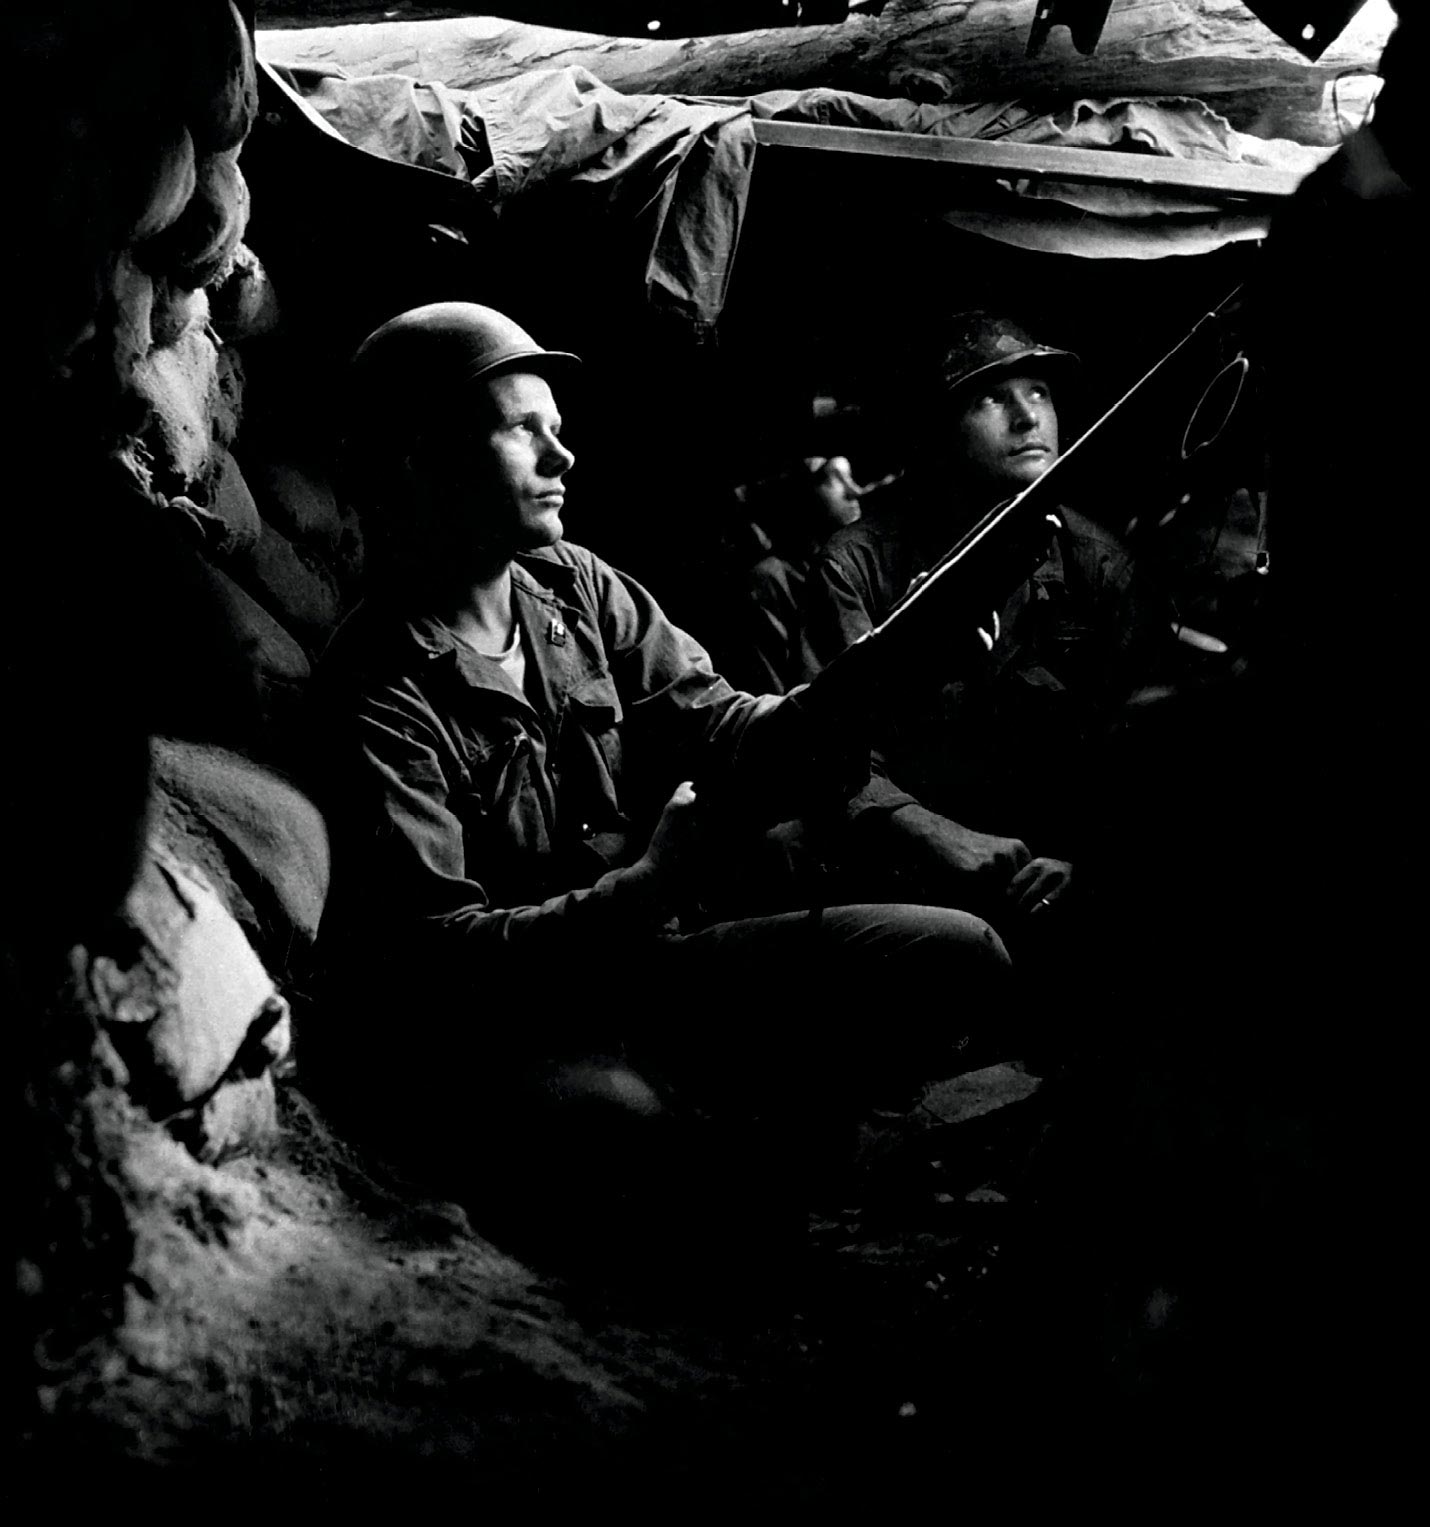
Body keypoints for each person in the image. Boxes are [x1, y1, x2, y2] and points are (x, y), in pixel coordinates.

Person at [308, 301, 1012, 1232]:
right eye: (526, 432)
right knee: (636, 1144)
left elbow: (726, 728)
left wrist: (885, 676)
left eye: (558, 432)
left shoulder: (576, 586)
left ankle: (766, 1149)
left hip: (651, 968)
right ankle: (754, 1168)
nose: (563, 459)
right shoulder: (380, 685)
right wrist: (646, 888)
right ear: (420, 456)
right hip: (519, 1029)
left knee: (957, 954)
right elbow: (444, 963)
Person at [797, 312, 1168, 939]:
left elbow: (1143, 752)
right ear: (940, 429)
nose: (1028, 418)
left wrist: (1085, 859)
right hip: (900, 876)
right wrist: (926, 830)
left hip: (1051, 885)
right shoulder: (857, 564)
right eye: (992, 398)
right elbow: (818, 748)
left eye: (1040, 394)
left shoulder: (1104, 568)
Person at [723, 454, 867, 695]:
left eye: (850, 477)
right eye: (832, 479)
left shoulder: (856, 565)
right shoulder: (770, 579)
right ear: (801, 492)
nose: (854, 491)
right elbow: (773, 691)